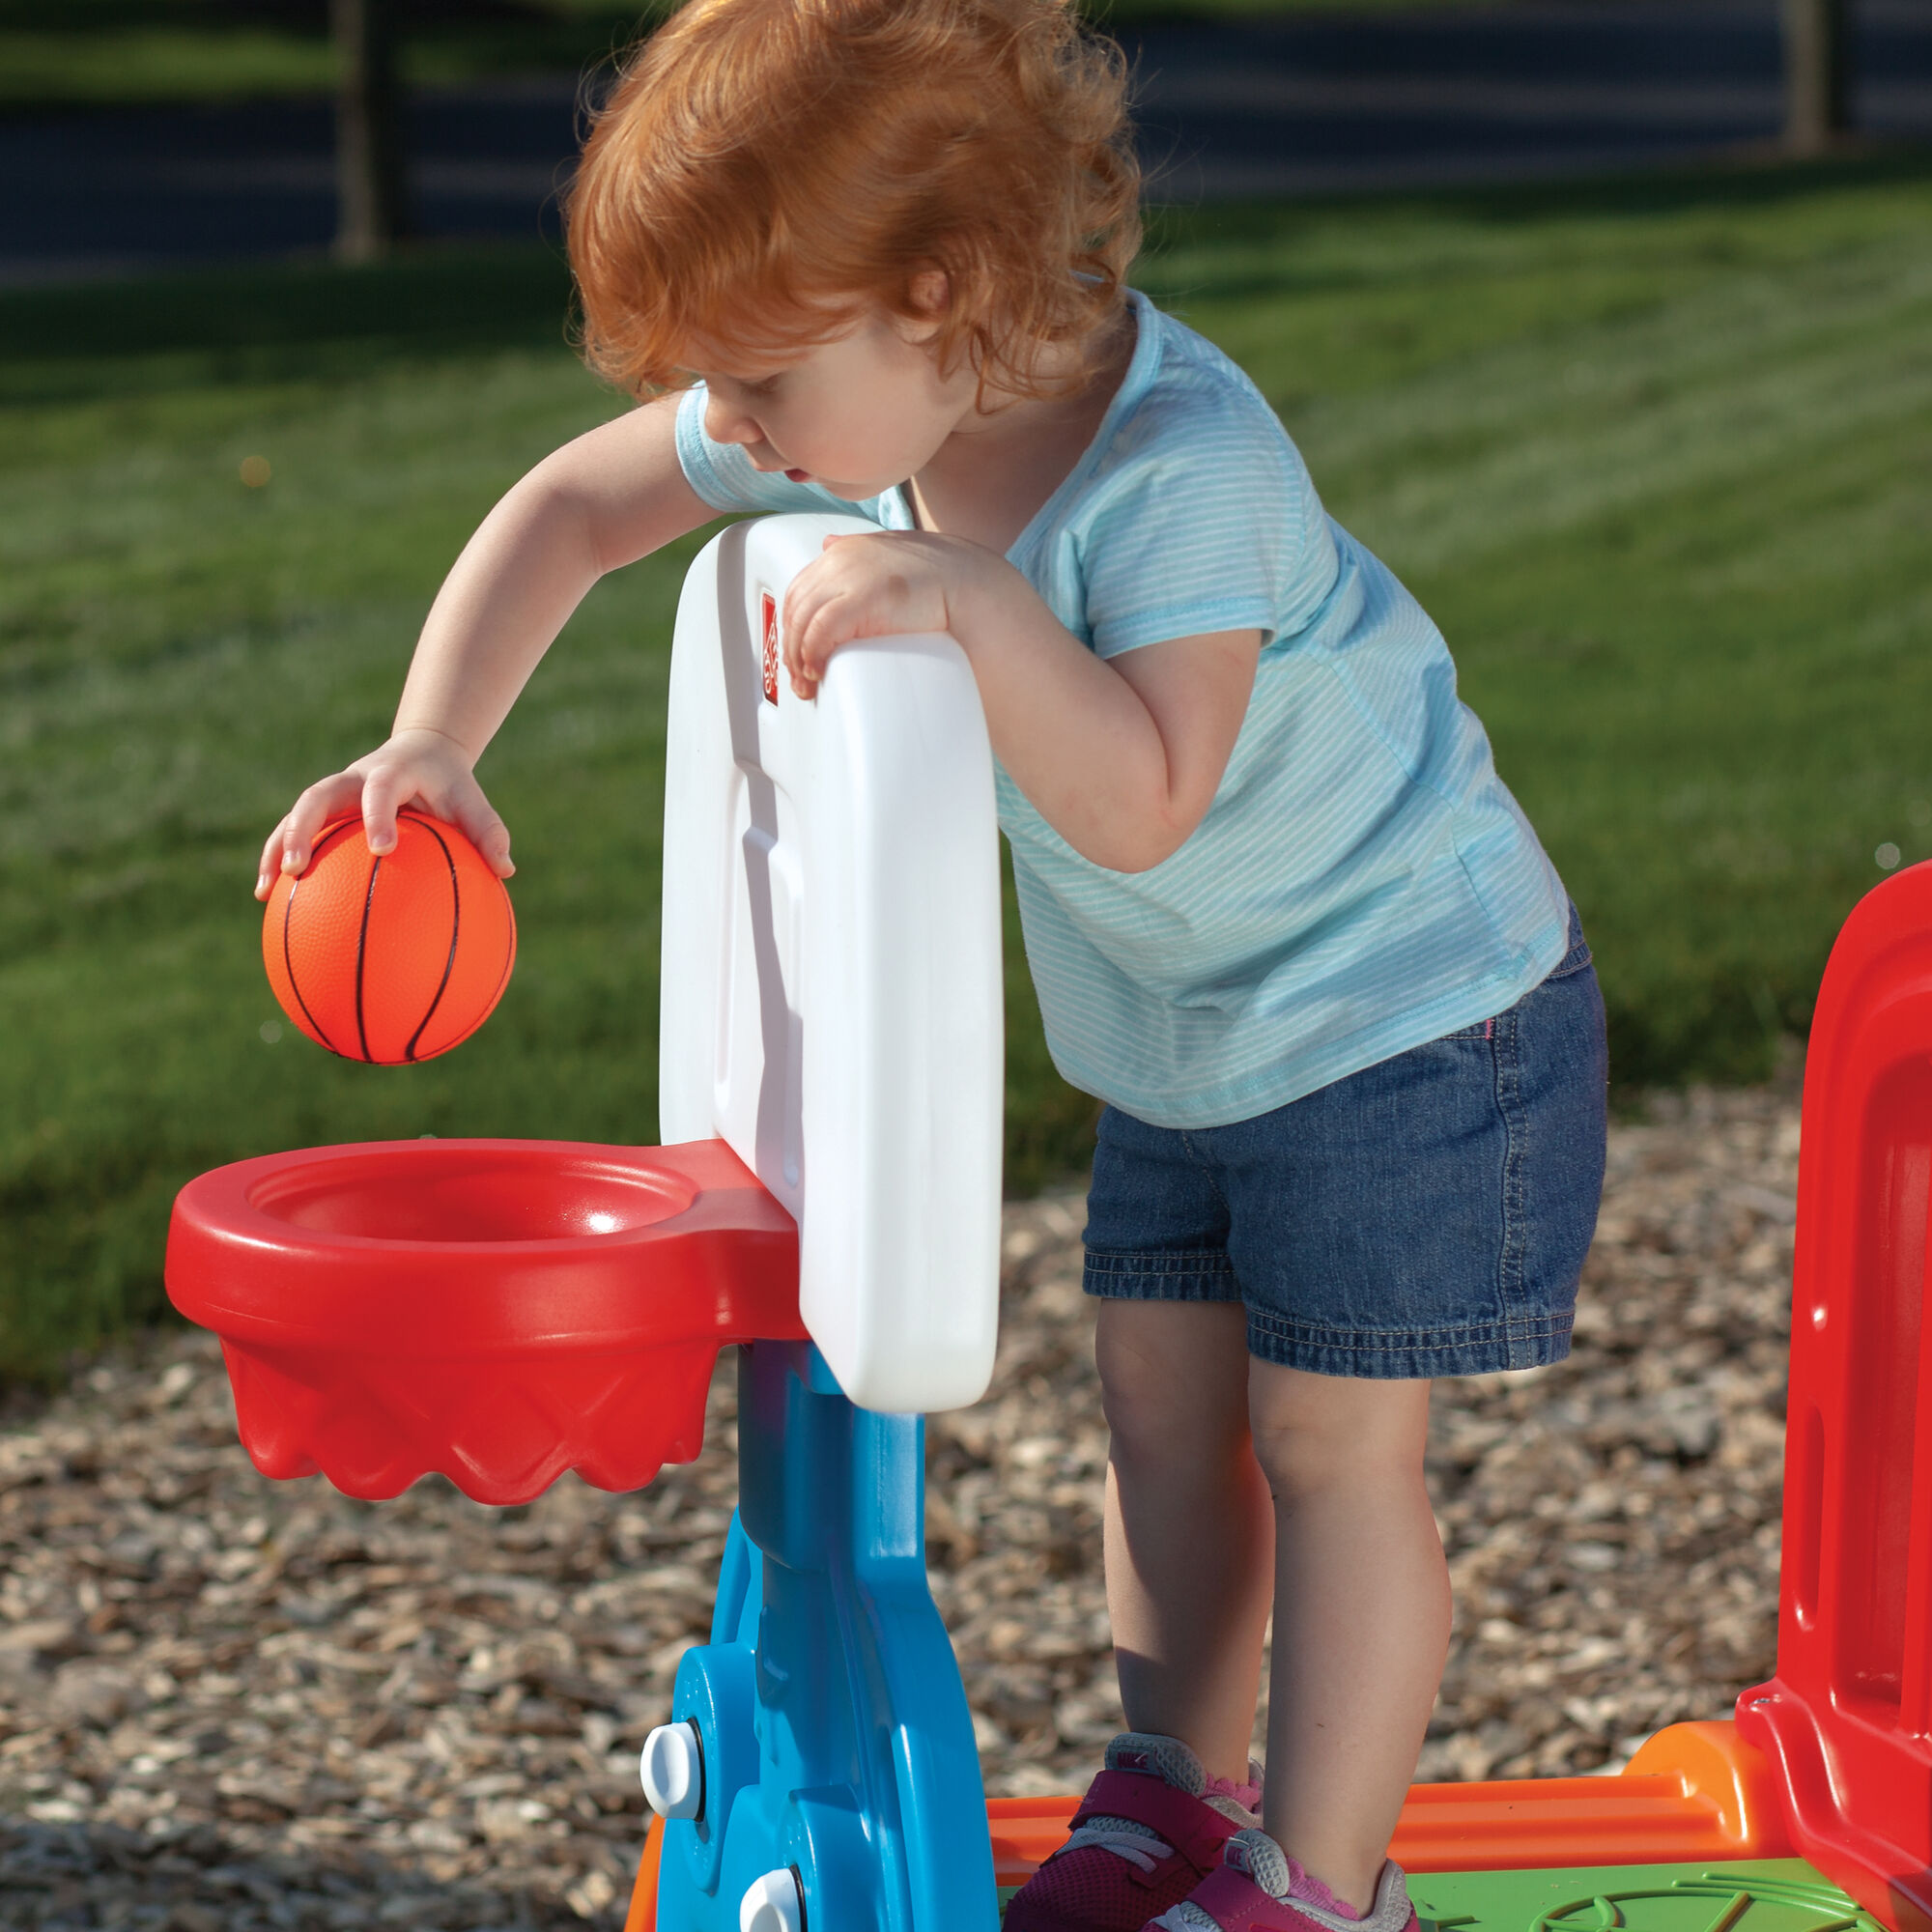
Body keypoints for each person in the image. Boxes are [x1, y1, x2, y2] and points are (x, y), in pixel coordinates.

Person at [255, 3, 1608, 1928]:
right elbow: (572, 506)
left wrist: (967, 606)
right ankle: (1172, 1793)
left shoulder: (1181, 470)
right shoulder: (866, 401)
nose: (726, 429)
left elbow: (1143, 793)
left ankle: (1317, 1889)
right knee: (1159, 1418)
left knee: (1329, 1448)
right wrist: (434, 741)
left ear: (940, 287)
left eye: (752, 381)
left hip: (1404, 1015)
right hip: (1186, 1041)